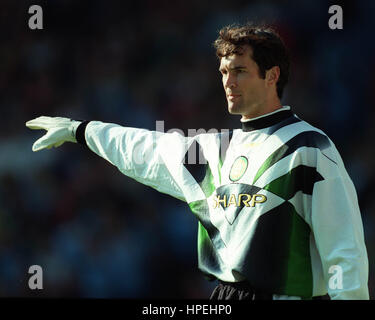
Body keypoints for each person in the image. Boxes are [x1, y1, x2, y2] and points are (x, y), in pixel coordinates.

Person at [26, 23, 369, 300]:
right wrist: (81, 130)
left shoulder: (309, 148)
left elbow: (345, 252)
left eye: (240, 71)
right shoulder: (213, 149)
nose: (228, 83)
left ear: (272, 75)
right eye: (223, 72)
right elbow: (143, 148)